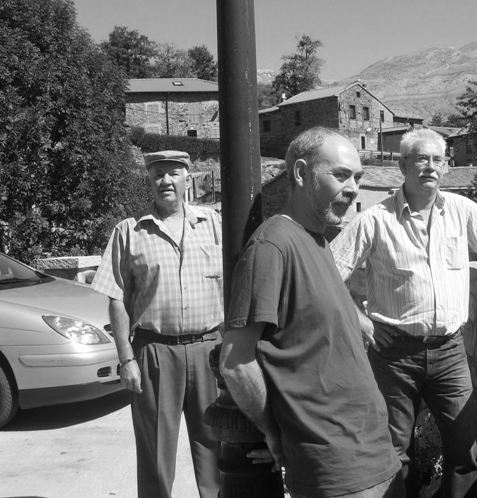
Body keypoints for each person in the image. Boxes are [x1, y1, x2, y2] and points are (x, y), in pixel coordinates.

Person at [330, 127, 477, 498]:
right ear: (403, 165)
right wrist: (359, 318)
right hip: (393, 354)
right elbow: (327, 272)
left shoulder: (461, 210)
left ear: (446, 166)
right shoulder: (375, 220)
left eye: (437, 159)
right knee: (395, 449)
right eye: (421, 159)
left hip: (450, 351)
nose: (430, 166)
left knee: (463, 447)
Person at [220, 127, 404, 498]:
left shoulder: (317, 239)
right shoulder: (272, 246)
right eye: (341, 175)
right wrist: (274, 432)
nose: (353, 189)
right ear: (302, 173)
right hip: (336, 468)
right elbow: (235, 361)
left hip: (372, 453)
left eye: (358, 178)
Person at [92, 150, 222, 498]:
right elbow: (116, 297)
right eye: (158, 174)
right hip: (154, 353)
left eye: (173, 173)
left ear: (187, 178)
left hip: (210, 351)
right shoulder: (130, 231)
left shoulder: (214, 224)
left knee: (217, 447)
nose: (166, 181)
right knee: (156, 454)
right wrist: (126, 359)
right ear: (149, 180)